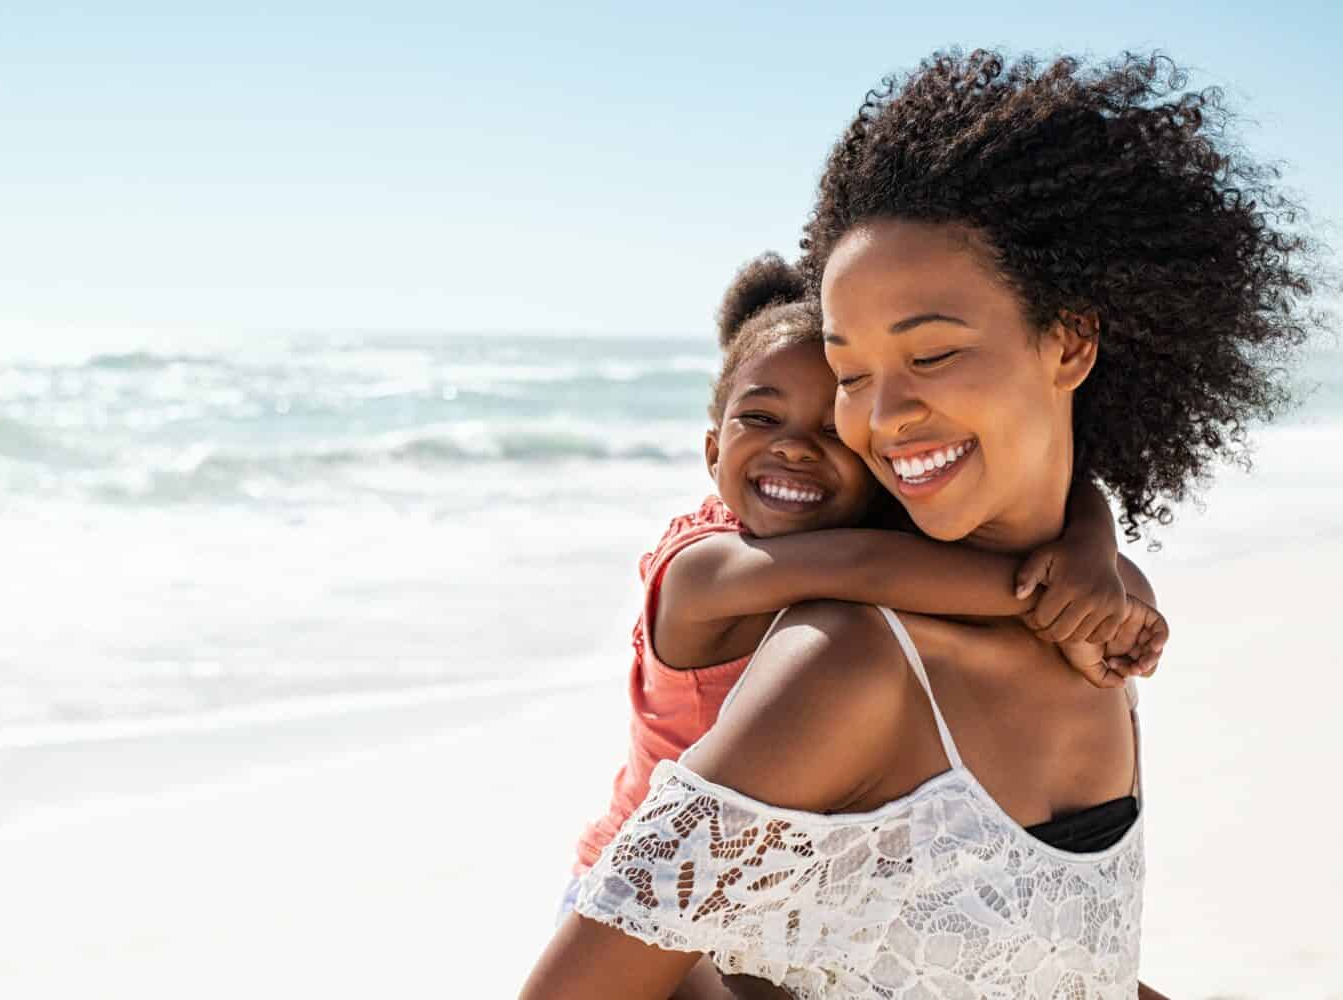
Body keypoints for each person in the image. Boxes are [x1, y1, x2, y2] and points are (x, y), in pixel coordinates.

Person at [523, 50, 1320, 999]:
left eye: (932, 353)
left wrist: (1087, 548)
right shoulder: (846, 662)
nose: (882, 415)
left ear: (1069, 341)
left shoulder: (1094, 630)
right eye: (851, 372)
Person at [560, 251, 1165, 945]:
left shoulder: (861, 534)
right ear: (710, 451)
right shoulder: (702, 570)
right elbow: (865, 564)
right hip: (636, 896)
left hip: (770, 893)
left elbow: (1038, 509)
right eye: (759, 419)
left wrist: (1090, 541)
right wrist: (1061, 597)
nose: (792, 449)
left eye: (829, 432)